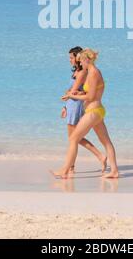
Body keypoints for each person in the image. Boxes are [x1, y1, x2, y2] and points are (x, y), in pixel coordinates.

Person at [51, 48, 119, 179]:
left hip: (93, 111)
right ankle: (114, 171)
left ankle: (65, 170)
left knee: (73, 138)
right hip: (95, 110)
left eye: (81, 61)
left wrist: (72, 94)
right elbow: (90, 93)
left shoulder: (93, 73)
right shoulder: (93, 72)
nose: (80, 64)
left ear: (86, 59)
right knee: (106, 142)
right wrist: (79, 93)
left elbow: (91, 97)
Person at [61, 46, 107, 173]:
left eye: (71, 57)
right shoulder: (76, 71)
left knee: (74, 138)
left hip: (76, 106)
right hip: (71, 105)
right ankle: (73, 166)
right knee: (74, 138)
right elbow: (72, 92)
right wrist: (65, 106)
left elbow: (73, 91)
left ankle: (97, 157)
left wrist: (69, 94)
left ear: (78, 57)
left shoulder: (82, 73)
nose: (70, 60)